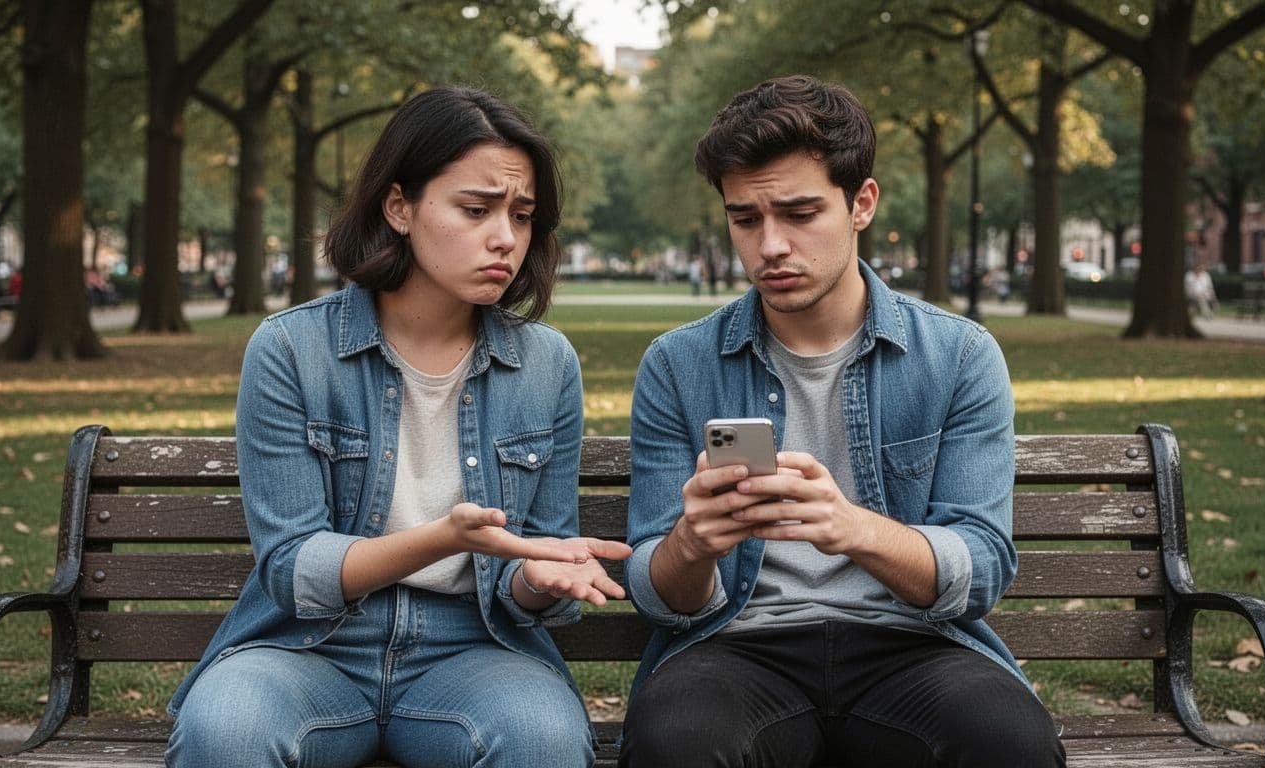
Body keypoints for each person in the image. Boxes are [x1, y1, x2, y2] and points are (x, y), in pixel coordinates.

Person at [166, 86, 631, 768]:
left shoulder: (545, 365)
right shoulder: (294, 350)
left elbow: (526, 579)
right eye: (476, 209)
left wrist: (540, 576)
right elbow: (292, 569)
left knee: (542, 738)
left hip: (474, 651)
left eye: (522, 215)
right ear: (399, 207)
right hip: (309, 648)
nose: (505, 237)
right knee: (229, 730)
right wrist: (441, 538)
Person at [618, 75, 1064, 767]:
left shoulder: (958, 355)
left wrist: (853, 528)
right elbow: (656, 590)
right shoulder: (678, 364)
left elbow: (981, 565)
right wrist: (691, 544)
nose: (770, 246)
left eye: (799, 213)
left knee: (1009, 743)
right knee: (675, 742)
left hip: (913, 646)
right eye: (745, 219)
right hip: (737, 646)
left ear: (862, 203)